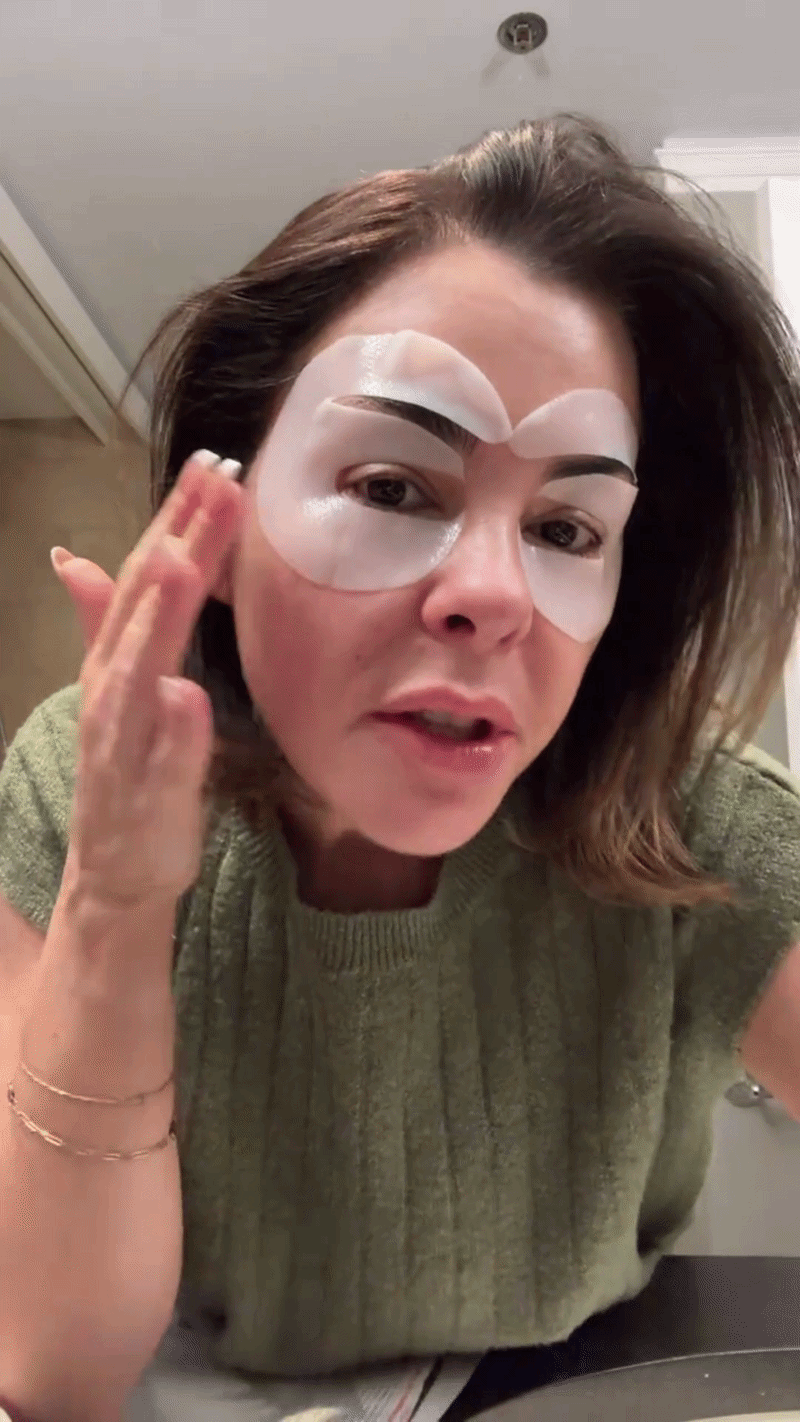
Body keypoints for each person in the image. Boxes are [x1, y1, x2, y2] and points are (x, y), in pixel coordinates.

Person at [1, 110, 800, 1421]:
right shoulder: (80, 775)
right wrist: (115, 900)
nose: (495, 594)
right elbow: (52, 1366)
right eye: (391, 486)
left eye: (566, 526)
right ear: (225, 520)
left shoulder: (691, 807)